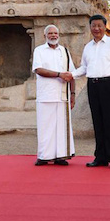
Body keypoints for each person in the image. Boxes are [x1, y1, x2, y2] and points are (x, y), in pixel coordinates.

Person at [72, 14, 110, 169]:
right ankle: (100, 157)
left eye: (99, 26)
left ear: (105, 27)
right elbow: (84, 67)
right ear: (90, 28)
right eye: (93, 26)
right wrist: (71, 75)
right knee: (97, 121)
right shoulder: (88, 47)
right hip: (93, 85)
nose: (96, 29)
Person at [31, 24, 76, 166]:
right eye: (50, 33)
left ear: (59, 35)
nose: (53, 35)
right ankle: (44, 156)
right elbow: (38, 69)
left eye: (55, 33)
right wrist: (58, 74)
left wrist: (73, 94)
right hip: (45, 95)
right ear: (45, 36)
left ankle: (60, 156)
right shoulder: (39, 50)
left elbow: (71, 74)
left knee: (61, 127)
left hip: (63, 96)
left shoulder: (65, 51)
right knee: (45, 126)